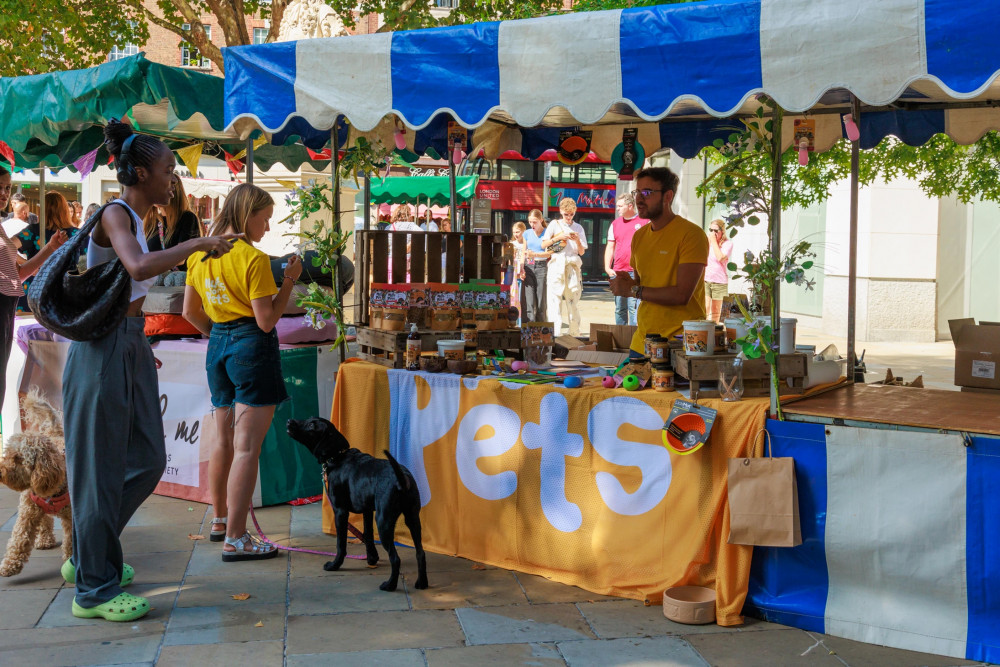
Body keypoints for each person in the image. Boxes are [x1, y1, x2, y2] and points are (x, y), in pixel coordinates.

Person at [62, 119, 240, 622]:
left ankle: (87, 554)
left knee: (148, 458)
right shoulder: (115, 213)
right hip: (100, 348)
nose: (173, 179)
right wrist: (199, 245)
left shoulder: (140, 218)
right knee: (97, 470)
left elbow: (140, 273)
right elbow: (138, 267)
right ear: (139, 173)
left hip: (130, 343)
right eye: (167, 170)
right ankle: (92, 589)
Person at [182, 183, 303, 563]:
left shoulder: (199, 256)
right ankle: (237, 537)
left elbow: (189, 312)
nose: (267, 228)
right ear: (247, 214)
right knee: (247, 447)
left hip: (218, 344)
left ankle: (220, 521)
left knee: (223, 441)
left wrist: (220, 335)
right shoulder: (254, 259)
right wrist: (289, 281)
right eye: (265, 219)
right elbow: (267, 322)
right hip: (251, 345)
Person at [609, 167, 708, 354]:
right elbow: (641, 284)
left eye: (646, 192)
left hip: (681, 344)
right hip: (642, 341)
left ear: (668, 196)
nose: (639, 199)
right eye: (636, 192)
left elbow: (681, 295)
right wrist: (626, 282)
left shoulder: (691, 235)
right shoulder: (639, 236)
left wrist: (633, 290)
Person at [0, 166, 67, 407]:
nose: (4, 193)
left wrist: (49, 248)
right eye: (0, 187)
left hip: (7, 308)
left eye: (7, 187)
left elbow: (19, 273)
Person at [541, 198, 587, 336]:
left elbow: (582, 251)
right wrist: (560, 237)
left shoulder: (578, 227)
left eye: (571, 214)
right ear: (561, 212)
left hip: (572, 265)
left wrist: (577, 240)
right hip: (557, 264)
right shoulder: (554, 225)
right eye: (566, 214)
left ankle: (574, 332)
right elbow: (544, 245)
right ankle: (555, 333)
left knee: (573, 301)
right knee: (554, 300)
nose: (568, 217)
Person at [604, 192, 649, 326]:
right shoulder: (615, 224)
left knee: (634, 308)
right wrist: (607, 267)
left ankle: (633, 340)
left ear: (630, 206)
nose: (617, 209)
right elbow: (610, 246)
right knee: (619, 309)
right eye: (617, 206)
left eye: (620, 206)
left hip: (636, 272)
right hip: (619, 272)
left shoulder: (645, 222)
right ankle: (621, 338)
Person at [144, 173, 202, 254]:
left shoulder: (187, 218)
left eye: (159, 188)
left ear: (173, 191)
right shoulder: (151, 221)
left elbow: (183, 257)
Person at [16, 191, 78, 261]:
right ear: (65, 211)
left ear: (42, 210)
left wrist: (25, 265)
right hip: (68, 272)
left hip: (39, 271)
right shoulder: (77, 234)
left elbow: (6, 247)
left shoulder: (33, 231)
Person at [521, 210, 549, 322]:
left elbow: (548, 253)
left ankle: (541, 329)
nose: (532, 225)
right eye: (530, 222)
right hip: (528, 266)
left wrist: (535, 254)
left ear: (541, 220)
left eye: (535, 222)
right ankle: (529, 330)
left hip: (541, 266)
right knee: (529, 302)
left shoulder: (547, 233)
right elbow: (523, 251)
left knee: (541, 302)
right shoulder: (527, 233)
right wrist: (522, 268)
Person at [704, 219, 733, 323]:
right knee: (705, 307)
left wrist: (713, 241)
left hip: (719, 282)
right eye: (711, 230)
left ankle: (714, 332)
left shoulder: (727, 244)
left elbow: (720, 257)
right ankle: (704, 331)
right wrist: (708, 241)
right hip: (705, 280)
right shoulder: (708, 242)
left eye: (716, 231)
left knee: (716, 312)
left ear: (722, 231)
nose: (713, 233)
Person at [510, 222, 526, 323]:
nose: (516, 234)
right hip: (514, 275)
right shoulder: (511, 244)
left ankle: (521, 320)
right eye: (514, 232)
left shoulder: (526, 244)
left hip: (523, 274)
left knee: (522, 299)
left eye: (518, 232)